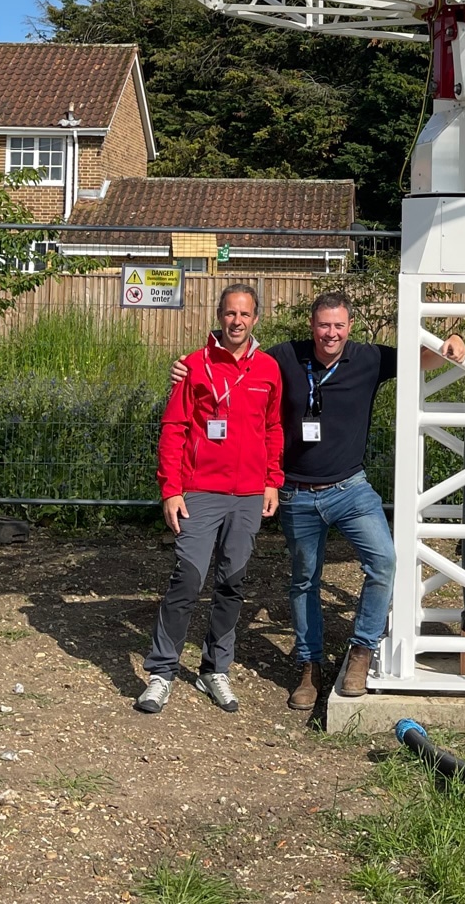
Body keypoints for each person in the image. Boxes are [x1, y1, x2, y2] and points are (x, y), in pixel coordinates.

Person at [171, 291, 465, 710]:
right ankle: (309, 666)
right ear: (312, 326)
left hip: (350, 488)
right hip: (296, 493)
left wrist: (449, 342)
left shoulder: (368, 358)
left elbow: (425, 359)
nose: (331, 333)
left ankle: (361, 651)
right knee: (304, 579)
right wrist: (184, 369)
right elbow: (235, 367)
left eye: (339, 326)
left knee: (384, 561)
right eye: (324, 325)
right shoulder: (284, 358)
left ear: (350, 328)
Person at [136, 284, 283, 716]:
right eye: (230, 314)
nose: (237, 322)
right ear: (219, 316)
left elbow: (273, 429)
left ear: (256, 319)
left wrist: (272, 481)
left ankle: (214, 668)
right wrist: (171, 489)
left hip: (249, 493)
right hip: (200, 491)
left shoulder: (269, 369)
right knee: (187, 579)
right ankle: (161, 673)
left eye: (245, 315)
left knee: (232, 583)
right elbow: (175, 428)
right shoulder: (193, 367)